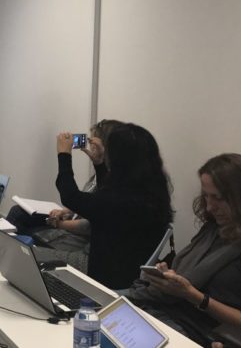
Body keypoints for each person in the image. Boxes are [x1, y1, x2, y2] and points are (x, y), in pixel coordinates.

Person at [125, 153, 241, 346]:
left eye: (218, 198)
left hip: (198, 330)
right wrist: (170, 278)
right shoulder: (214, 227)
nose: (210, 207)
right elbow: (192, 275)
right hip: (166, 310)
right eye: (206, 196)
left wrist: (193, 295)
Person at [55, 123, 173, 289]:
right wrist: (99, 164)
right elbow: (107, 199)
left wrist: (64, 155)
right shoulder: (152, 194)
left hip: (104, 283)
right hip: (126, 275)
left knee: (34, 256)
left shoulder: (119, 201)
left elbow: (70, 196)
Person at [5, 119, 124, 272]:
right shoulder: (100, 173)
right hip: (71, 225)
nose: (90, 146)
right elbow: (85, 200)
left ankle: (9, 259)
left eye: (94, 143)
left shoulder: (113, 181)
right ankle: (5, 256)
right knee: (18, 212)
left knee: (22, 237)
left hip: (79, 241)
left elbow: (88, 223)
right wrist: (65, 212)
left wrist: (58, 223)